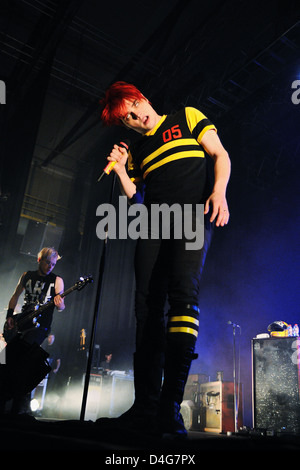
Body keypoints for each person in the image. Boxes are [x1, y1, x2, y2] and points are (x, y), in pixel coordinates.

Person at [99, 81, 231, 438]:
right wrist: (124, 168)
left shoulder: (186, 117)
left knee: (182, 297)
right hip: (153, 225)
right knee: (146, 307)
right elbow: (136, 200)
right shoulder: (141, 149)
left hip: (191, 216)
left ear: (141, 99)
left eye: (131, 111)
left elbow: (220, 154)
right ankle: (145, 406)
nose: (132, 120)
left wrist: (218, 191)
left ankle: (169, 406)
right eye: (125, 120)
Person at [4, 247, 65, 413]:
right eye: (47, 263)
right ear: (40, 260)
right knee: (7, 358)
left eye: (53, 264)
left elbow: (61, 307)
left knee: (24, 357)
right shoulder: (27, 275)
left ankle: (20, 405)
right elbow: (15, 296)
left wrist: (61, 305)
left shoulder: (56, 280)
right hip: (22, 321)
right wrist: (10, 316)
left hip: (41, 326)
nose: (50, 266)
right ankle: (8, 399)